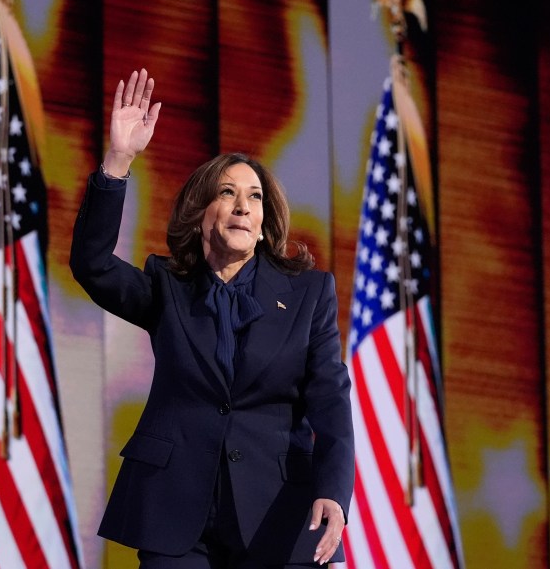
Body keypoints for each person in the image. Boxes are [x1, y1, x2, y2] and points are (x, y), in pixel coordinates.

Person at [70, 68, 355, 568]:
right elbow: (91, 264)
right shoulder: (167, 288)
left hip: (279, 509)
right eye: (227, 193)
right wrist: (118, 161)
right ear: (200, 212)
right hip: (175, 509)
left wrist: (334, 490)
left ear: (265, 222)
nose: (242, 206)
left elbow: (329, 397)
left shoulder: (310, 295)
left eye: (254, 197)